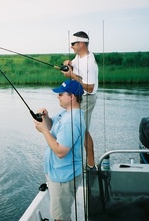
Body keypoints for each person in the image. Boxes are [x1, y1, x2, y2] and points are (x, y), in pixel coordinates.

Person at [33, 79, 85, 221]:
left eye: (61, 94)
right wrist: (46, 118)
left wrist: (43, 131)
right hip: (58, 174)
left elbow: (61, 152)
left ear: (72, 97)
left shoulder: (72, 121)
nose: (58, 96)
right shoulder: (65, 114)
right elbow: (51, 126)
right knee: (59, 215)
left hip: (63, 177)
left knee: (60, 218)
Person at [62, 31, 99, 170]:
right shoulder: (79, 57)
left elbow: (90, 88)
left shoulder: (89, 63)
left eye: (73, 44)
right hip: (79, 97)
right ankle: (86, 163)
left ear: (81, 44)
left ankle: (90, 165)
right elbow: (76, 69)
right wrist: (68, 64)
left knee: (83, 131)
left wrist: (71, 75)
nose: (71, 46)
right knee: (78, 129)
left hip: (87, 98)